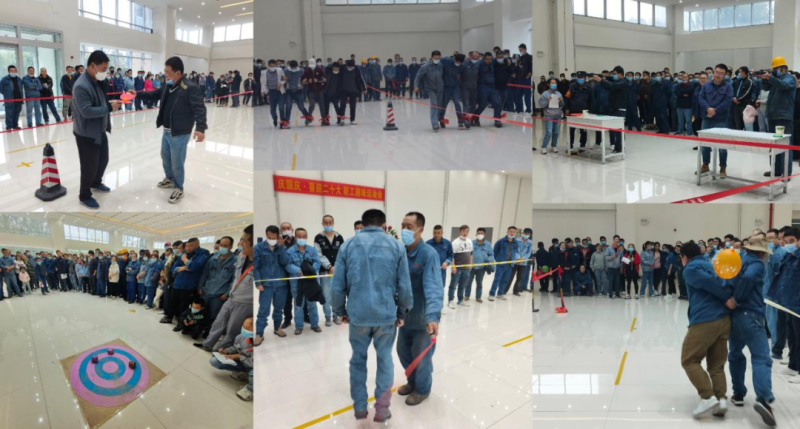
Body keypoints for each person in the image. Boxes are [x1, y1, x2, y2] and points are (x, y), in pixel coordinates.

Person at [331, 209, 412, 422]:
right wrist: (402, 311)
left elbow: (337, 285)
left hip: (358, 315)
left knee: (357, 360)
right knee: (385, 360)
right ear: (384, 225)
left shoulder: (348, 245)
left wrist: (340, 311)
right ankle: (382, 409)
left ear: (363, 224)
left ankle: (360, 408)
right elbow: (404, 285)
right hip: (386, 316)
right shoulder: (396, 246)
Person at [128, 57, 208, 205]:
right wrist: (137, 94)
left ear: (178, 73)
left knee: (177, 162)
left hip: (180, 131)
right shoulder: (168, 85)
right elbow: (155, 94)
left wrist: (200, 128)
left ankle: (178, 188)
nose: (165, 74)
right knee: (165, 157)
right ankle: (170, 179)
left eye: (168, 71)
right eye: (164, 71)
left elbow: (200, 108)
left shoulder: (190, 87)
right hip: (166, 129)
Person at [680, 240, 736, 419]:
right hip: (723, 320)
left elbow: (707, 282)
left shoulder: (690, 268)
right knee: (716, 365)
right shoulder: (712, 265)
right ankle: (721, 400)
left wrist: (726, 297)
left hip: (705, 320)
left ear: (684, 257)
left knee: (689, 360)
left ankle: (707, 397)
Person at [725, 236, 777, 426]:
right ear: (762, 253)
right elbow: (748, 278)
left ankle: (738, 393)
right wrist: (737, 298)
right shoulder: (757, 263)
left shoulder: (738, 261)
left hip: (735, 318)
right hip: (752, 315)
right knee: (761, 357)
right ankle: (763, 398)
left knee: (735, 354)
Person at [396, 211, 442, 406]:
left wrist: (433, 316)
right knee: (403, 352)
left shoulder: (428, 254)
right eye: (403, 226)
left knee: (421, 357)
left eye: (410, 227)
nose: (405, 230)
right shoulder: (401, 252)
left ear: (420, 230)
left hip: (423, 319)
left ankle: (423, 390)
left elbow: (433, 286)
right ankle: (412, 382)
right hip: (405, 318)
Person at [71, 50, 122, 209]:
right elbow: (86, 111)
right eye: (103, 69)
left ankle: (96, 182)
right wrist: (109, 107)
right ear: (93, 66)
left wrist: (111, 103)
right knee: (89, 166)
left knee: (103, 160)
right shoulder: (81, 86)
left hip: (99, 130)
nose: (105, 72)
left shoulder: (96, 81)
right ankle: (84, 195)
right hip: (87, 134)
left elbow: (100, 102)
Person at [198, 225, 254, 351]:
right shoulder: (242, 257)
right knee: (218, 322)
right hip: (231, 298)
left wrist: (226, 293)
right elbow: (236, 278)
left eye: (244, 240)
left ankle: (221, 351)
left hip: (244, 302)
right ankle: (207, 344)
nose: (241, 243)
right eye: (241, 239)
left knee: (232, 329)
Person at [756, 57, 797, 178]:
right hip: (772, 115)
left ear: (783, 68)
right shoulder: (775, 79)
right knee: (774, 145)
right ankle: (776, 170)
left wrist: (771, 78)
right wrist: (764, 79)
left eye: (776, 68)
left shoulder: (790, 78)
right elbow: (765, 88)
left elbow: (783, 85)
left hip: (783, 116)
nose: (774, 71)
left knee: (785, 145)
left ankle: (786, 172)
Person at [254, 226, 290, 344]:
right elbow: (256, 267)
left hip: (281, 284)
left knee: (279, 308)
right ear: (266, 235)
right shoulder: (259, 248)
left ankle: (277, 328)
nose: (271, 239)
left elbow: (286, 262)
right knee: (263, 310)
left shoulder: (282, 247)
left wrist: (281, 248)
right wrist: (258, 282)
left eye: (273, 238)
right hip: (266, 285)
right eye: (269, 237)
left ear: (278, 236)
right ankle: (259, 333)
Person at [698, 63, 734, 177]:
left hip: (721, 120)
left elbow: (727, 102)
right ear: (713, 73)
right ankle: (705, 164)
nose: (718, 75)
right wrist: (707, 109)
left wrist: (715, 111)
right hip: (707, 118)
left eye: (721, 73)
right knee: (705, 144)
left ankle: (723, 167)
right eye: (717, 72)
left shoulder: (728, 87)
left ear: (725, 75)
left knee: (722, 146)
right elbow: (701, 98)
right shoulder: (706, 85)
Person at [208, 316, 254, 401]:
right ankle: (242, 372)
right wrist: (227, 351)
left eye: (247, 328)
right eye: (243, 326)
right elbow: (236, 347)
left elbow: (253, 363)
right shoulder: (241, 337)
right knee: (214, 361)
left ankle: (250, 389)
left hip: (253, 366)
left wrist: (239, 356)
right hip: (242, 362)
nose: (243, 329)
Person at [199, 236, 237, 334]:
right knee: (201, 313)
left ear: (230, 247)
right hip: (206, 291)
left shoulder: (235, 262)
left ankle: (209, 333)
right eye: (221, 245)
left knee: (214, 315)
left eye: (225, 245)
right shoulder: (213, 259)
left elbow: (234, 280)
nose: (222, 247)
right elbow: (204, 274)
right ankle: (199, 329)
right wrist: (200, 287)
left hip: (219, 295)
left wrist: (227, 294)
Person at [314, 215, 344, 326]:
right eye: (325, 222)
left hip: (337, 272)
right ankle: (327, 317)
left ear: (333, 223)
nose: (328, 224)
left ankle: (336, 315)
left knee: (336, 295)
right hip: (325, 272)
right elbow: (318, 255)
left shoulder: (339, 237)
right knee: (326, 295)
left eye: (330, 222)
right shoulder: (318, 238)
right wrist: (329, 267)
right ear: (322, 223)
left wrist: (336, 267)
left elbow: (342, 253)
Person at [415, 51, 446, 132]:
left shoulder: (441, 65)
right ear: (432, 57)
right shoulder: (425, 66)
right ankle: (434, 123)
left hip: (440, 88)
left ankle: (438, 119)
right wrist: (416, 85)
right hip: (430, 88)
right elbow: (418, 76)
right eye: (435, 58)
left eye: (439, 58)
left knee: (439, 105)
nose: (437, 60)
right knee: (434, 104)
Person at [489, 227, 520, 300]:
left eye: (514, 232)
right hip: (501, 264)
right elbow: (495, 252)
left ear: (515, 233)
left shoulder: (516, 242)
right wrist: (498, 260)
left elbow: (516, 252)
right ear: (507, 232)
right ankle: (491, 294)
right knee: (497, 279)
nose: (512, 233)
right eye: (510, 231)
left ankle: (500, 294)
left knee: (505, 280)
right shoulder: (500, 241)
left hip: (510, 264)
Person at [565, 71, 593, 153]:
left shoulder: (589, 87)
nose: (580, 79)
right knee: (571, 130)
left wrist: (590, 111)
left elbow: (592, 100)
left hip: (584, 112)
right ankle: (570, 146)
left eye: (582, 77)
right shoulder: (572, 86)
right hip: (573, 111)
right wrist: (567, 108)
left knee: (583, 130)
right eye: (579, 77)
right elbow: (567, 98)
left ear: (585, 78)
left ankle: (582, 145)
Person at [440, 54, 468, 129]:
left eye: (460, 63)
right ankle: (441, 119)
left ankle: (460, 120)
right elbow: (438, 62)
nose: (458, 64)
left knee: (457, 103)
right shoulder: (446, 61)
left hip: (455, 86)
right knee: (444, 104)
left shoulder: (462, 66)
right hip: (446, 86)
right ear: (455, 59)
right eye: (457, 62)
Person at [448, 225, 473, 308]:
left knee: (463, 285)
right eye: (463, 231)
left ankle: (460, 300)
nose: (465, 233)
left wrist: (471, 264)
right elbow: (452, 256)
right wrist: (453, 266)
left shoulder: (469, 242)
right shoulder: (455, 242)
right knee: (453, 285)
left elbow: (471, 254)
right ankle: (451, 300)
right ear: (460, 232)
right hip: (457, 269)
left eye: (467, 231)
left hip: (466, 269)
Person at [466, 228, 494, 302]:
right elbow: (467, 253)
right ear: (476, 234)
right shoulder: (471, 243)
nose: (480, 235)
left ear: (484, 234)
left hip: (481, 268)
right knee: (468, 282)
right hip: (471, 267)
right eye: (479, 233)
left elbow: (491, 255)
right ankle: (466, 295)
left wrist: (488, 260)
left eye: (482, 233)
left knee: (479, 283)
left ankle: (478, 297)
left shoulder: (487, 244)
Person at [425, 225, 453, 293]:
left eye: (438, 233)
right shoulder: (428, 243)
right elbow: (424, 256)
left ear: (442, 233)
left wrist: (447, 262)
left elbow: (451, 255)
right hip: (430, 271)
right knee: (430, 288)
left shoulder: (447, 243)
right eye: (434, 233)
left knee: (440, 288)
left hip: (442, 271)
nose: (436, 235)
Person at [539, 78, 564, 153]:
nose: (554, 85)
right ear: (549, 84)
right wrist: (547, 100)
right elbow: (541, 105)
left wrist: (561, 101)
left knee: (556, 132)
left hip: (557, 115)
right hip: (549, 115)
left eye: (555, 83)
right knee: (549, 131)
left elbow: (562, 105)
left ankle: (554, 145)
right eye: (552, 83)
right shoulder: (545, 94)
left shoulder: (559, 93)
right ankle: (544, 146)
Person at [340, 60, 366, 125]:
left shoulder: (357, 70)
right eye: (348, 67)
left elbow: (361, 79)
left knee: (353, 106)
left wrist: (364, 88)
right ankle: (342, 119)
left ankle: (352, 119)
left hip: (353, 91)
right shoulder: (342, 69)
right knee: (343, 104)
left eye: (351, 67)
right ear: (346, 65)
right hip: (343, 90)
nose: (350, 68)